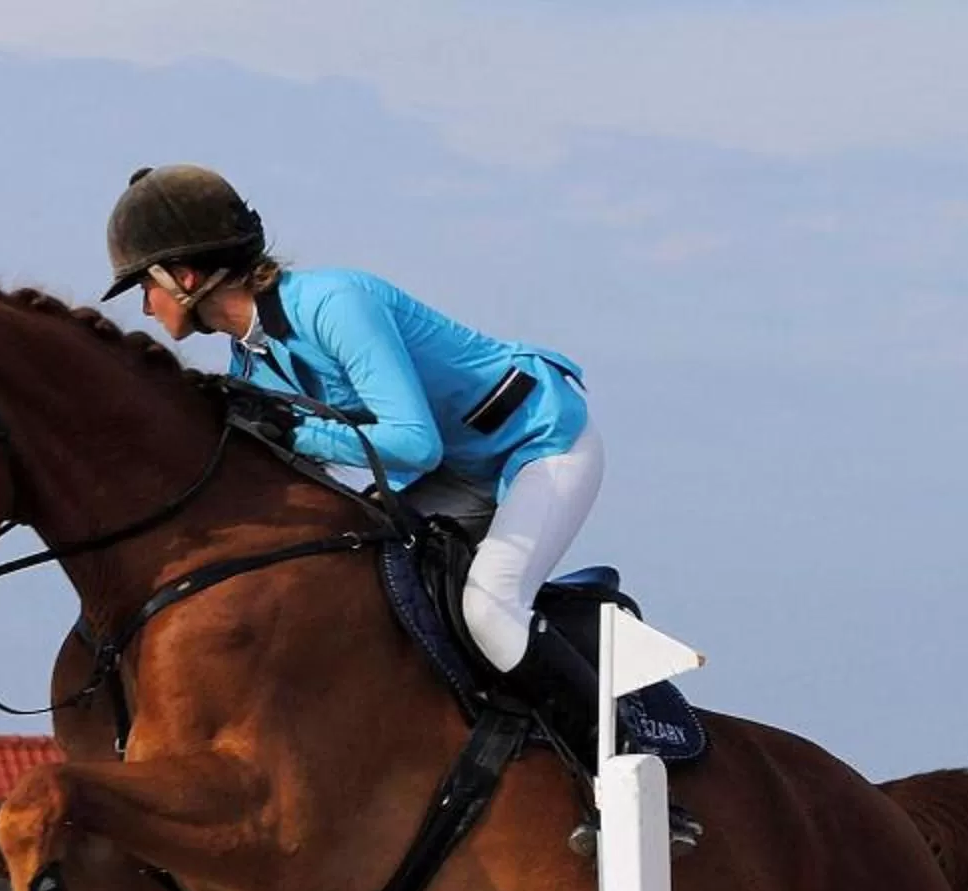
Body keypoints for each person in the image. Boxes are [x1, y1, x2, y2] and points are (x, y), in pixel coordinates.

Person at [101, 164, 616, 768]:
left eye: (145, 285)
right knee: (352, 580)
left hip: (538, 443)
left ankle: (616, 763)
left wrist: (295, 429)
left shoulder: (333, 303)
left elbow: (413, 443)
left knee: (489, 603)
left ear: (184, 277)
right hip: (455, 474)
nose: (143, 305)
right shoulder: (250, 368)